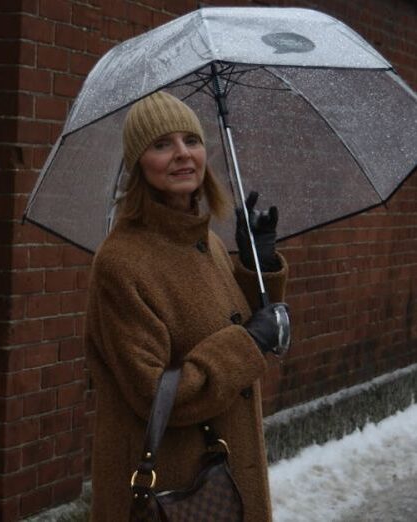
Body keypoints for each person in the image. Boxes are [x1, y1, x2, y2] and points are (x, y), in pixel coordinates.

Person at [85, 91, 289, 522]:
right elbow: (155, 393)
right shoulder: (120, 263)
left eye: (190, 141)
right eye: (162, 145)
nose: (182, 155)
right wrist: (248, 342)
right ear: (139, 162)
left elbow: (227, 322)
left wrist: (260, 263)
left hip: (224, 483)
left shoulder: (207, 241)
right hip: (176, 493)